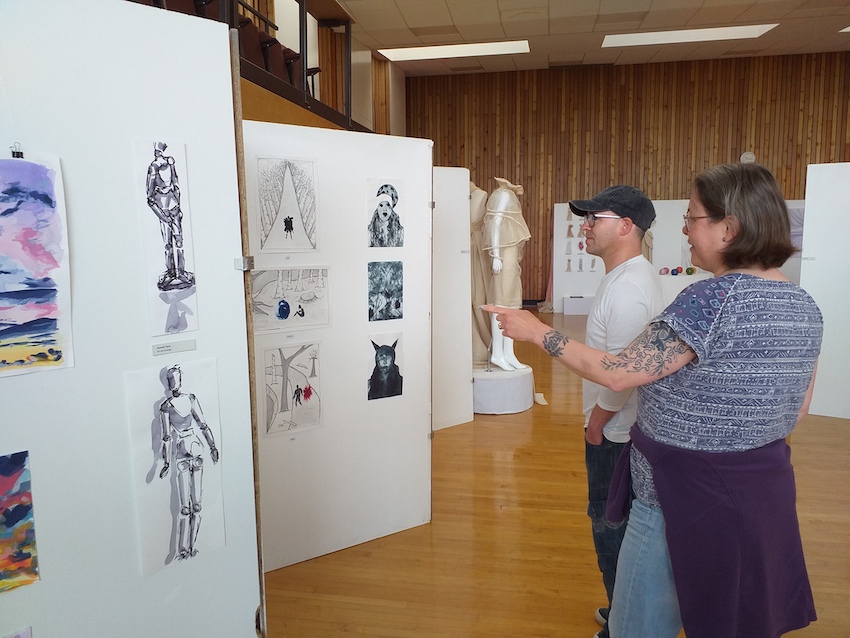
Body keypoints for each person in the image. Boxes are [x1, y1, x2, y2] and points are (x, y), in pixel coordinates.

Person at [484, 162, 822, 638]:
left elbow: (618, 374)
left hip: (678, 495)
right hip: (760, 492)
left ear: (731, 227)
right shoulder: (804, 305)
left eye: (693, 217)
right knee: (734, 614)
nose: (683, 228)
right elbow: (798, 407)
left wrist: (537, 332)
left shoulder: (711, 300)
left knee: (639, 625)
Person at [567, 185, 667, 638]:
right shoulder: (625, 276)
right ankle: (622, 610)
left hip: (617, 432)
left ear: (626, 227)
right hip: (620, 427)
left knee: (610, 524)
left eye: (594, 218)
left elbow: (622, 374)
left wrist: (597, 422)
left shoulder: (628, 288)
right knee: (617, 522)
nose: (584, 226)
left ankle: (622, 621)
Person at [158, 364, 219, 560]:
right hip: (189, 451)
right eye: (173, 379)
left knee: (193, 506)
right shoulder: (168, 406)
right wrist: (166, 462)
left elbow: (201, 425)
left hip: (190, 451)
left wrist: (212, 446)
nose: (175, 383)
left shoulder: (184, 401)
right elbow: (167, 437)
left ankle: (189, 548)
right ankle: (184, 548)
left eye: (176, 379)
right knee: (188, 507)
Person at [483, 177, 531, 371]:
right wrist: (495, 254)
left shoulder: (507, 197)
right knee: (500, 304)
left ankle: (508, 352)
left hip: (509, 260)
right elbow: (495, 222)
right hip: (502, 258)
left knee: (510, 305)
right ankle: (497, 353)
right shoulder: (504, 195)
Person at [146, 142, 195, 291]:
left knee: (179, 241)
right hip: (163, 211)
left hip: (174, 209)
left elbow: (176, 185)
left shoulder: (170, 163)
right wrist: (161, 215)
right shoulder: (153, 168)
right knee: (168, 244)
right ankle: (171, 272)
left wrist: (179, 208)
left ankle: (180, 272)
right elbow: (149, 198)